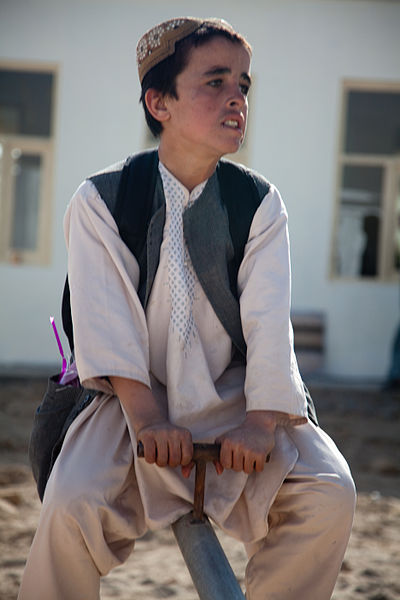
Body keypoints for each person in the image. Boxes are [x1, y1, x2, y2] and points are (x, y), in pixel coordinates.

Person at [19, 17, 356, 600]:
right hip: (128, 401)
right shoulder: (103, 199)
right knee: (70, 505)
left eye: (244, 86)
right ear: (159, 102)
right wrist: (148, 419)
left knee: (330, 492)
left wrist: (258, 423)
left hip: (236, 398)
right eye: (215, 81)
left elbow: (269, 326)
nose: (236, 98)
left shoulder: (258, 203)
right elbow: (106, 323)